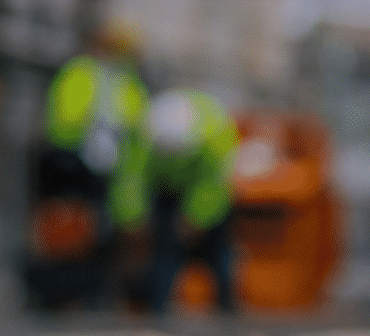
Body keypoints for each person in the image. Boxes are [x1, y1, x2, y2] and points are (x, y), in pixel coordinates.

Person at [39, 18, 149, 308]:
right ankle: (63, 292)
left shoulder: (113, 81)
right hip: (74, 166)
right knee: (70, 232)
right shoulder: (95, 77)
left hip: (99, 173)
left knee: (92, 235)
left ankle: (80, 293)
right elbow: (68, 122)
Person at [143, 89, 239, 316]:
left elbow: (215, 184)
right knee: (165, 253)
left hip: (210, 200)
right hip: (167, 194)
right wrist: (135, 217)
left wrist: (196, 217)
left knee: (220, 257)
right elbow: (135, 178)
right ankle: (157, 312)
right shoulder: (147, 133)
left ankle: (227, 314)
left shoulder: (216, 135)